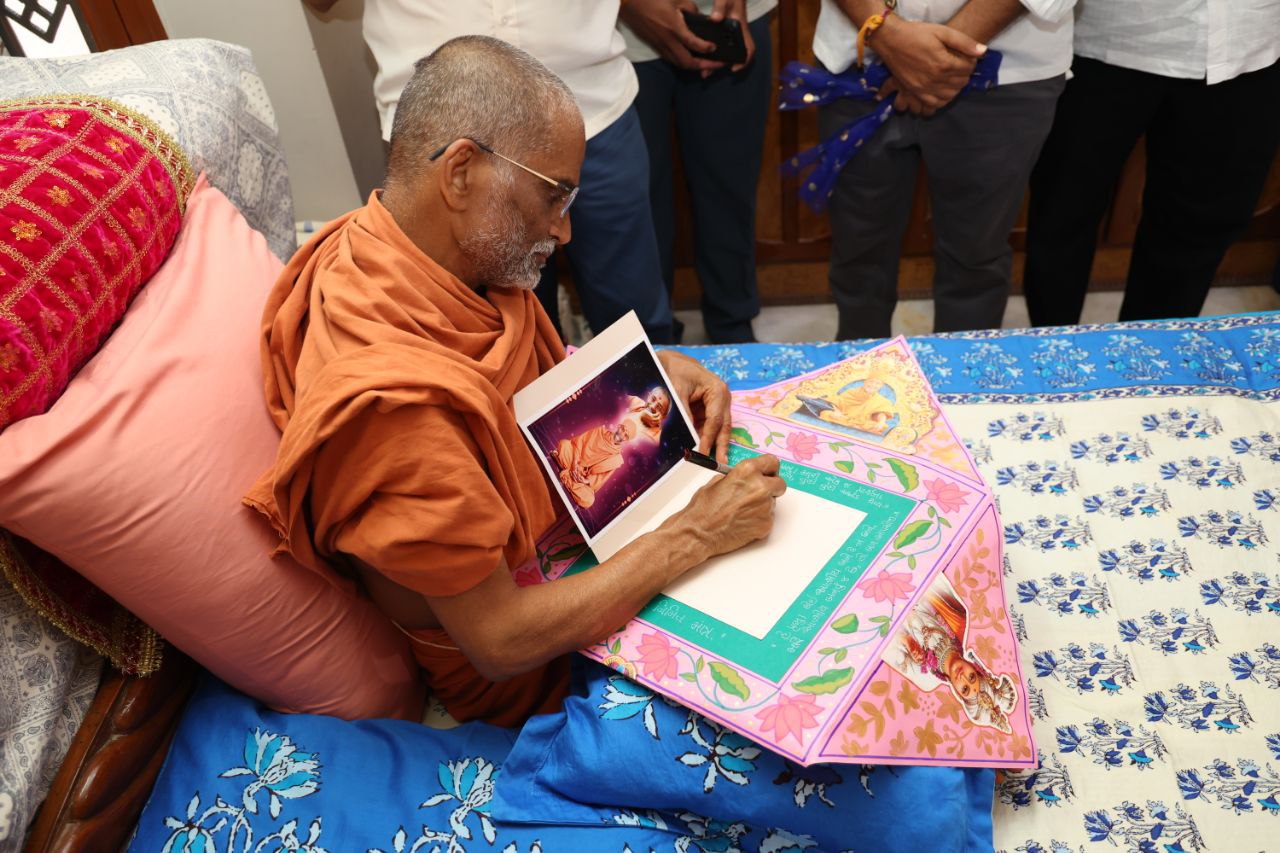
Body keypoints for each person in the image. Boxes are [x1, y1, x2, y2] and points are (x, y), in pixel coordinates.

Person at [246, 37, 787, 728]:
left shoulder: (390, 242)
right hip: (537, 670)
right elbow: (501, 640)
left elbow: (516, 392)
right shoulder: (396, 410)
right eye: (553, 195)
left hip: (578, 545)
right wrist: (695, 534)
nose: (565, 231)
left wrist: (633, 376)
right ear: (461, 172)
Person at [303, 0, 678, 344]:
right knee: (493, 335)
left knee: (637, 318)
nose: (562, 233)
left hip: (594, 104)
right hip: (440, 126)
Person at [813, 0, 1074, 340]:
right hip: (859, 50)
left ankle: (962, 371)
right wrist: (886, 33)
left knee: (975, 260)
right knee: (858, 252)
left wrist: (932, 59)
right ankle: (862, 366)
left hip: (1008, 68)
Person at [1023, 4, 1280, 326]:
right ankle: (1056, 347)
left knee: (1198, 230)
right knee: (1061, 215)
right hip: (1106, 40)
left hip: (1247, 45)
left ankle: (1156, 348)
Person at [620, 0, 773, 344]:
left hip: (729, 18)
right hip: (615, 34)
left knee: (729, 191)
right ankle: (649, 340)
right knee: (636, 203)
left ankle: (732, 328)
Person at [887, 578, 1017, 733]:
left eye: (965, 689)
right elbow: (930, 580)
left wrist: (906, 640)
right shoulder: (959, 619)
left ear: (958, 693)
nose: (963, 677)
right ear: (975, 668)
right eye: (972, 677)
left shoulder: (925, 679)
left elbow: (886, 644)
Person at [554, 420, 638, 508]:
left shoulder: (616, 460)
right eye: (623, 429)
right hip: (573, 460)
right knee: (564, 445)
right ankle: (569, 478)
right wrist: (574, 463)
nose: (622, 434)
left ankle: (566, 472)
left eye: (626, 435)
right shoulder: (599, 432)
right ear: (619, 426)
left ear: (626, 440)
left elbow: (600, 477)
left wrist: (586, 481)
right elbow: (580, 442)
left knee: (589, 500)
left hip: (581, 477)